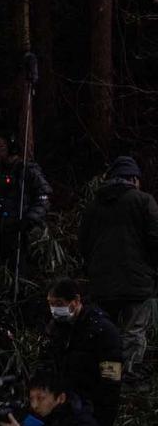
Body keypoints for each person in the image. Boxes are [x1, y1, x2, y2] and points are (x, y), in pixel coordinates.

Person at [78, 155, 158, 382]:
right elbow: (155, 239)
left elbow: (83, 243)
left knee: (107, 332)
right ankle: (129, 377)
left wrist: (93, 268)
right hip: (137, 281)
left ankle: (110, 378)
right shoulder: (144, 201)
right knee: (133, 330)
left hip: (102, 283)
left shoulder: (93, 206)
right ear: (133, 179)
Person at [42, 278, 122, 426]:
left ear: (76, 300)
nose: (54, 309)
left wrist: (103, 419)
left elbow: (111, 379)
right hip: (63, 404)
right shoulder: (56, 328)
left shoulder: (102, 331)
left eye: (59, 304)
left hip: (90, 406)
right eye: (50, 304)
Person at [0, 370, 106, 426]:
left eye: (41, 398)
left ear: (60, 398)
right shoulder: (46, 417)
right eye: (31, 399)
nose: (35, 405)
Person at [0, 136, 51, 270]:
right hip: (0, 231)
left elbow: (44, 197)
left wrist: (30, 219)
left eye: (1, 146)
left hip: (23, 231)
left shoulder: (27, 169)